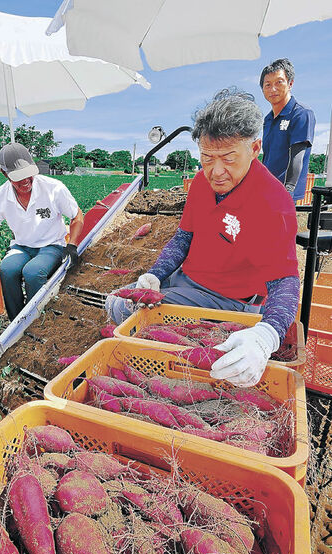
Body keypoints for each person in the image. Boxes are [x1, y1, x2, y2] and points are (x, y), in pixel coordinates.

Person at [106, 88, 300, 388]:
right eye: (207, 158)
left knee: (128, 312)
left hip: (228, 300)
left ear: (255, 148)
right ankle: (148, 369)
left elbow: (284, 280)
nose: (216, 171)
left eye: (228, 158)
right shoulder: (200, 182)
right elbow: (184, 237)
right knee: (116, 302)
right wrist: (155, 274)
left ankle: (156, 372)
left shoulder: (273, 203)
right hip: (185, 281)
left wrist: (267, 334)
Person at [0, 143, 84, 321]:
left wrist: (72, 245)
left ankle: (36, 320)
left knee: (33, 272)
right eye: (18, 177)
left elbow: (76, 215)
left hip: (51, 245)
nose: (25, 181)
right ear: (4, 174)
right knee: (7, 270)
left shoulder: (54, 188)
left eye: (28, 174)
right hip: (22, 246)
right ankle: (16, 321)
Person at [260, 58, 316, 202]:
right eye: (268, 84)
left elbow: (298, 156)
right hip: (267, 189)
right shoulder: (268, 119)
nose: (273, 89)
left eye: (279, 82)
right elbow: (267, 157)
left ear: (290, 83)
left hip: (284, 194)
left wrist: (288, 191)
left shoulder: (301, 113)